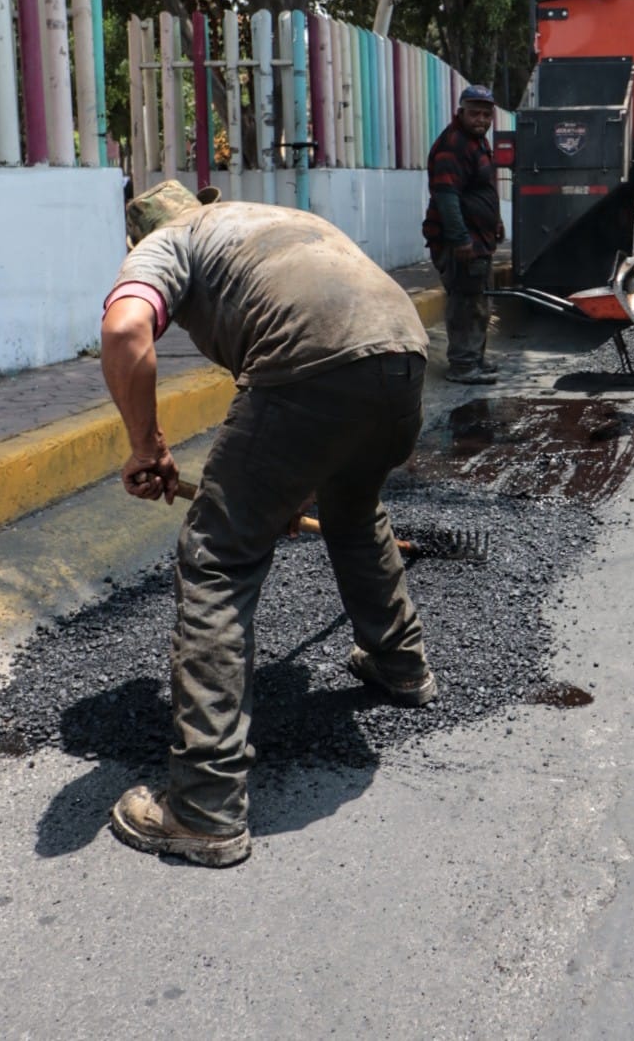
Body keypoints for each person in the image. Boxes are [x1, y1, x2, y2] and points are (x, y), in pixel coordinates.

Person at [100, 180, 436, 867]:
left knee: (215, 555)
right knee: (351, 506)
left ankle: (203, 807)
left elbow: (124, 328)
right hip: (404, 352)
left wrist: (146, 446)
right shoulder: (257, 221)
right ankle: (401, 666)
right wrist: (278, 493)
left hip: (318, 357)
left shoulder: (169, 244)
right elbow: (285, 413)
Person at [422, 84, 505, 384]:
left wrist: (494, 221)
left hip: (478, 239)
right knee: (465, 303)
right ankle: (462, 365)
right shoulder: (453, 145)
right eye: (474, 113)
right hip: (461, 242)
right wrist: (459, 239)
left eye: (486, 114)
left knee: (479, 302)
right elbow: (446, 196)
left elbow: (480, 189)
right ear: (461, 112)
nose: (481, 120)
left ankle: (474, 360)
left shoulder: (477, 142)